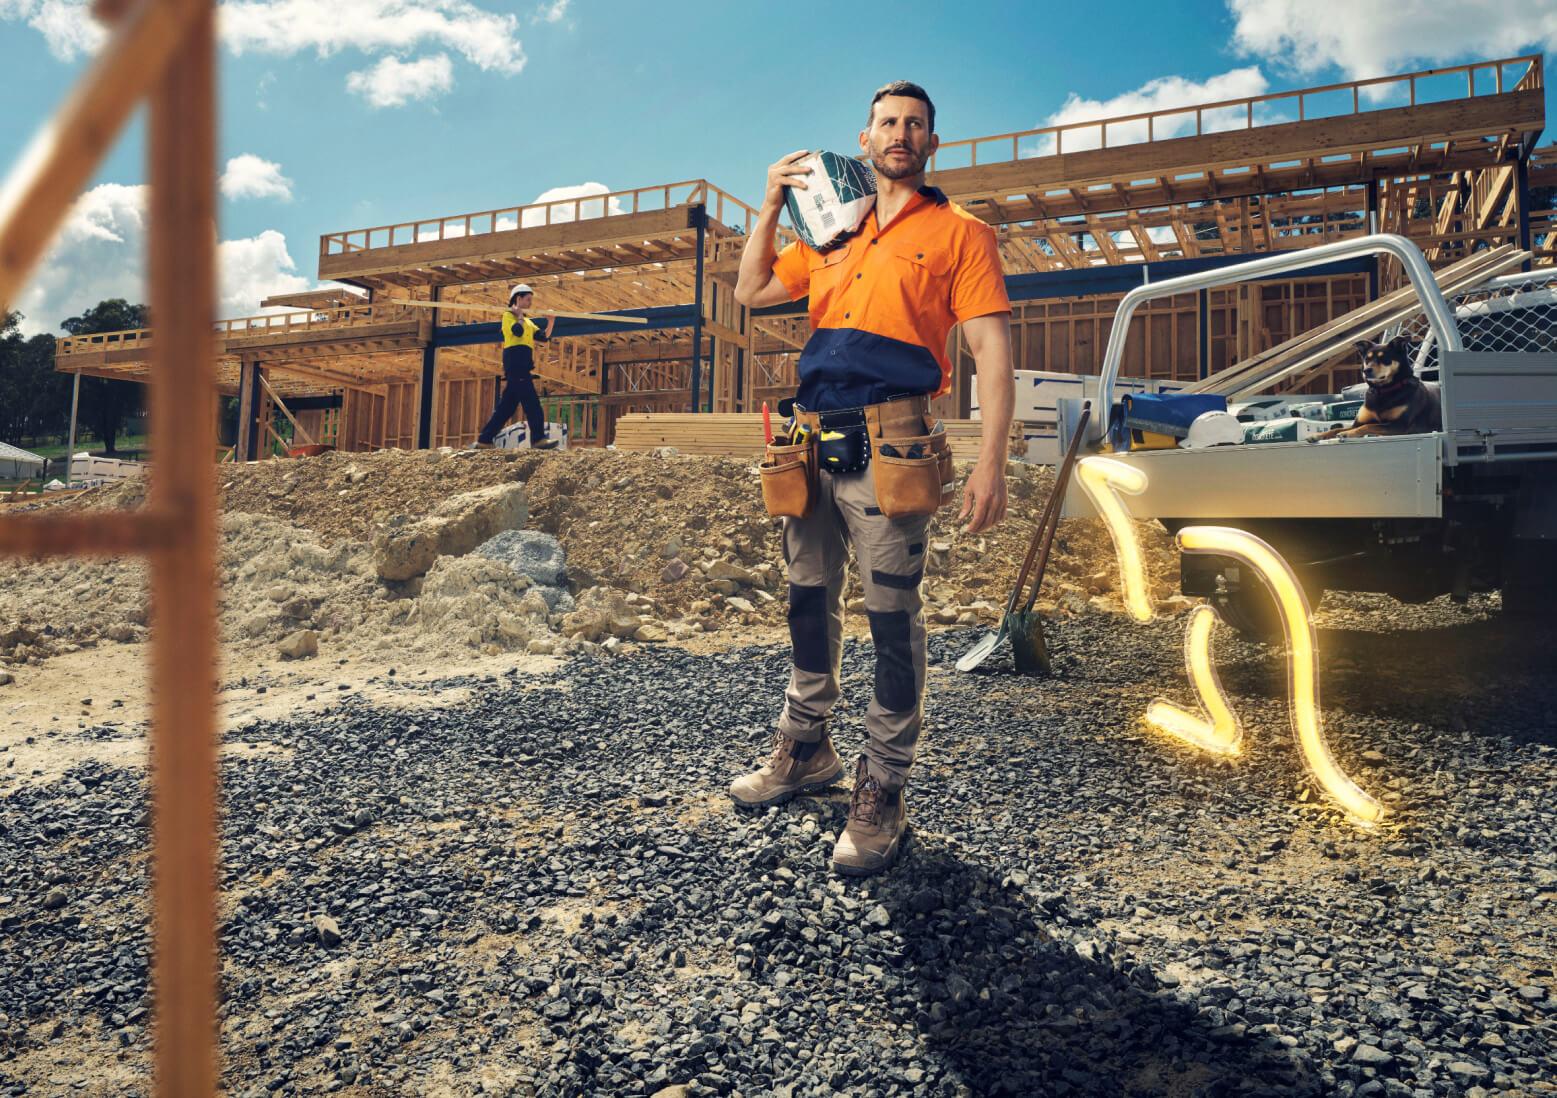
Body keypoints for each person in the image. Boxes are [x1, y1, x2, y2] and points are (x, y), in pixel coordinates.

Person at [729, 80, 1015, 876]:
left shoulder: (962, 234)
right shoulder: (830, 230)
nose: (900, 134)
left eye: (914, 125)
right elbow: (751, 292)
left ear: (931, 144)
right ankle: (804, 749)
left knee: (892, 620)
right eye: (887, 122)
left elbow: (990, 351)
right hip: (810, 439)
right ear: (865, 140)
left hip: (893, 443)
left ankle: (882, 787)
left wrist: (990, 459)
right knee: (807, 602)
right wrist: (768, 205)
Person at [473, 284, 558, 450]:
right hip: (516, 364)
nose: (530, 303)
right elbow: (517, 332)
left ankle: (484, 440)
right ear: (518, 299)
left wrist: (551, 321)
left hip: (521, 367)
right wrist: (519, 315)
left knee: (506, 408)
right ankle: (538, 440)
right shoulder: (508, 316)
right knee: (533, 405)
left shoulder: (526, 321)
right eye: (528, 299)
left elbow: (543, 337)